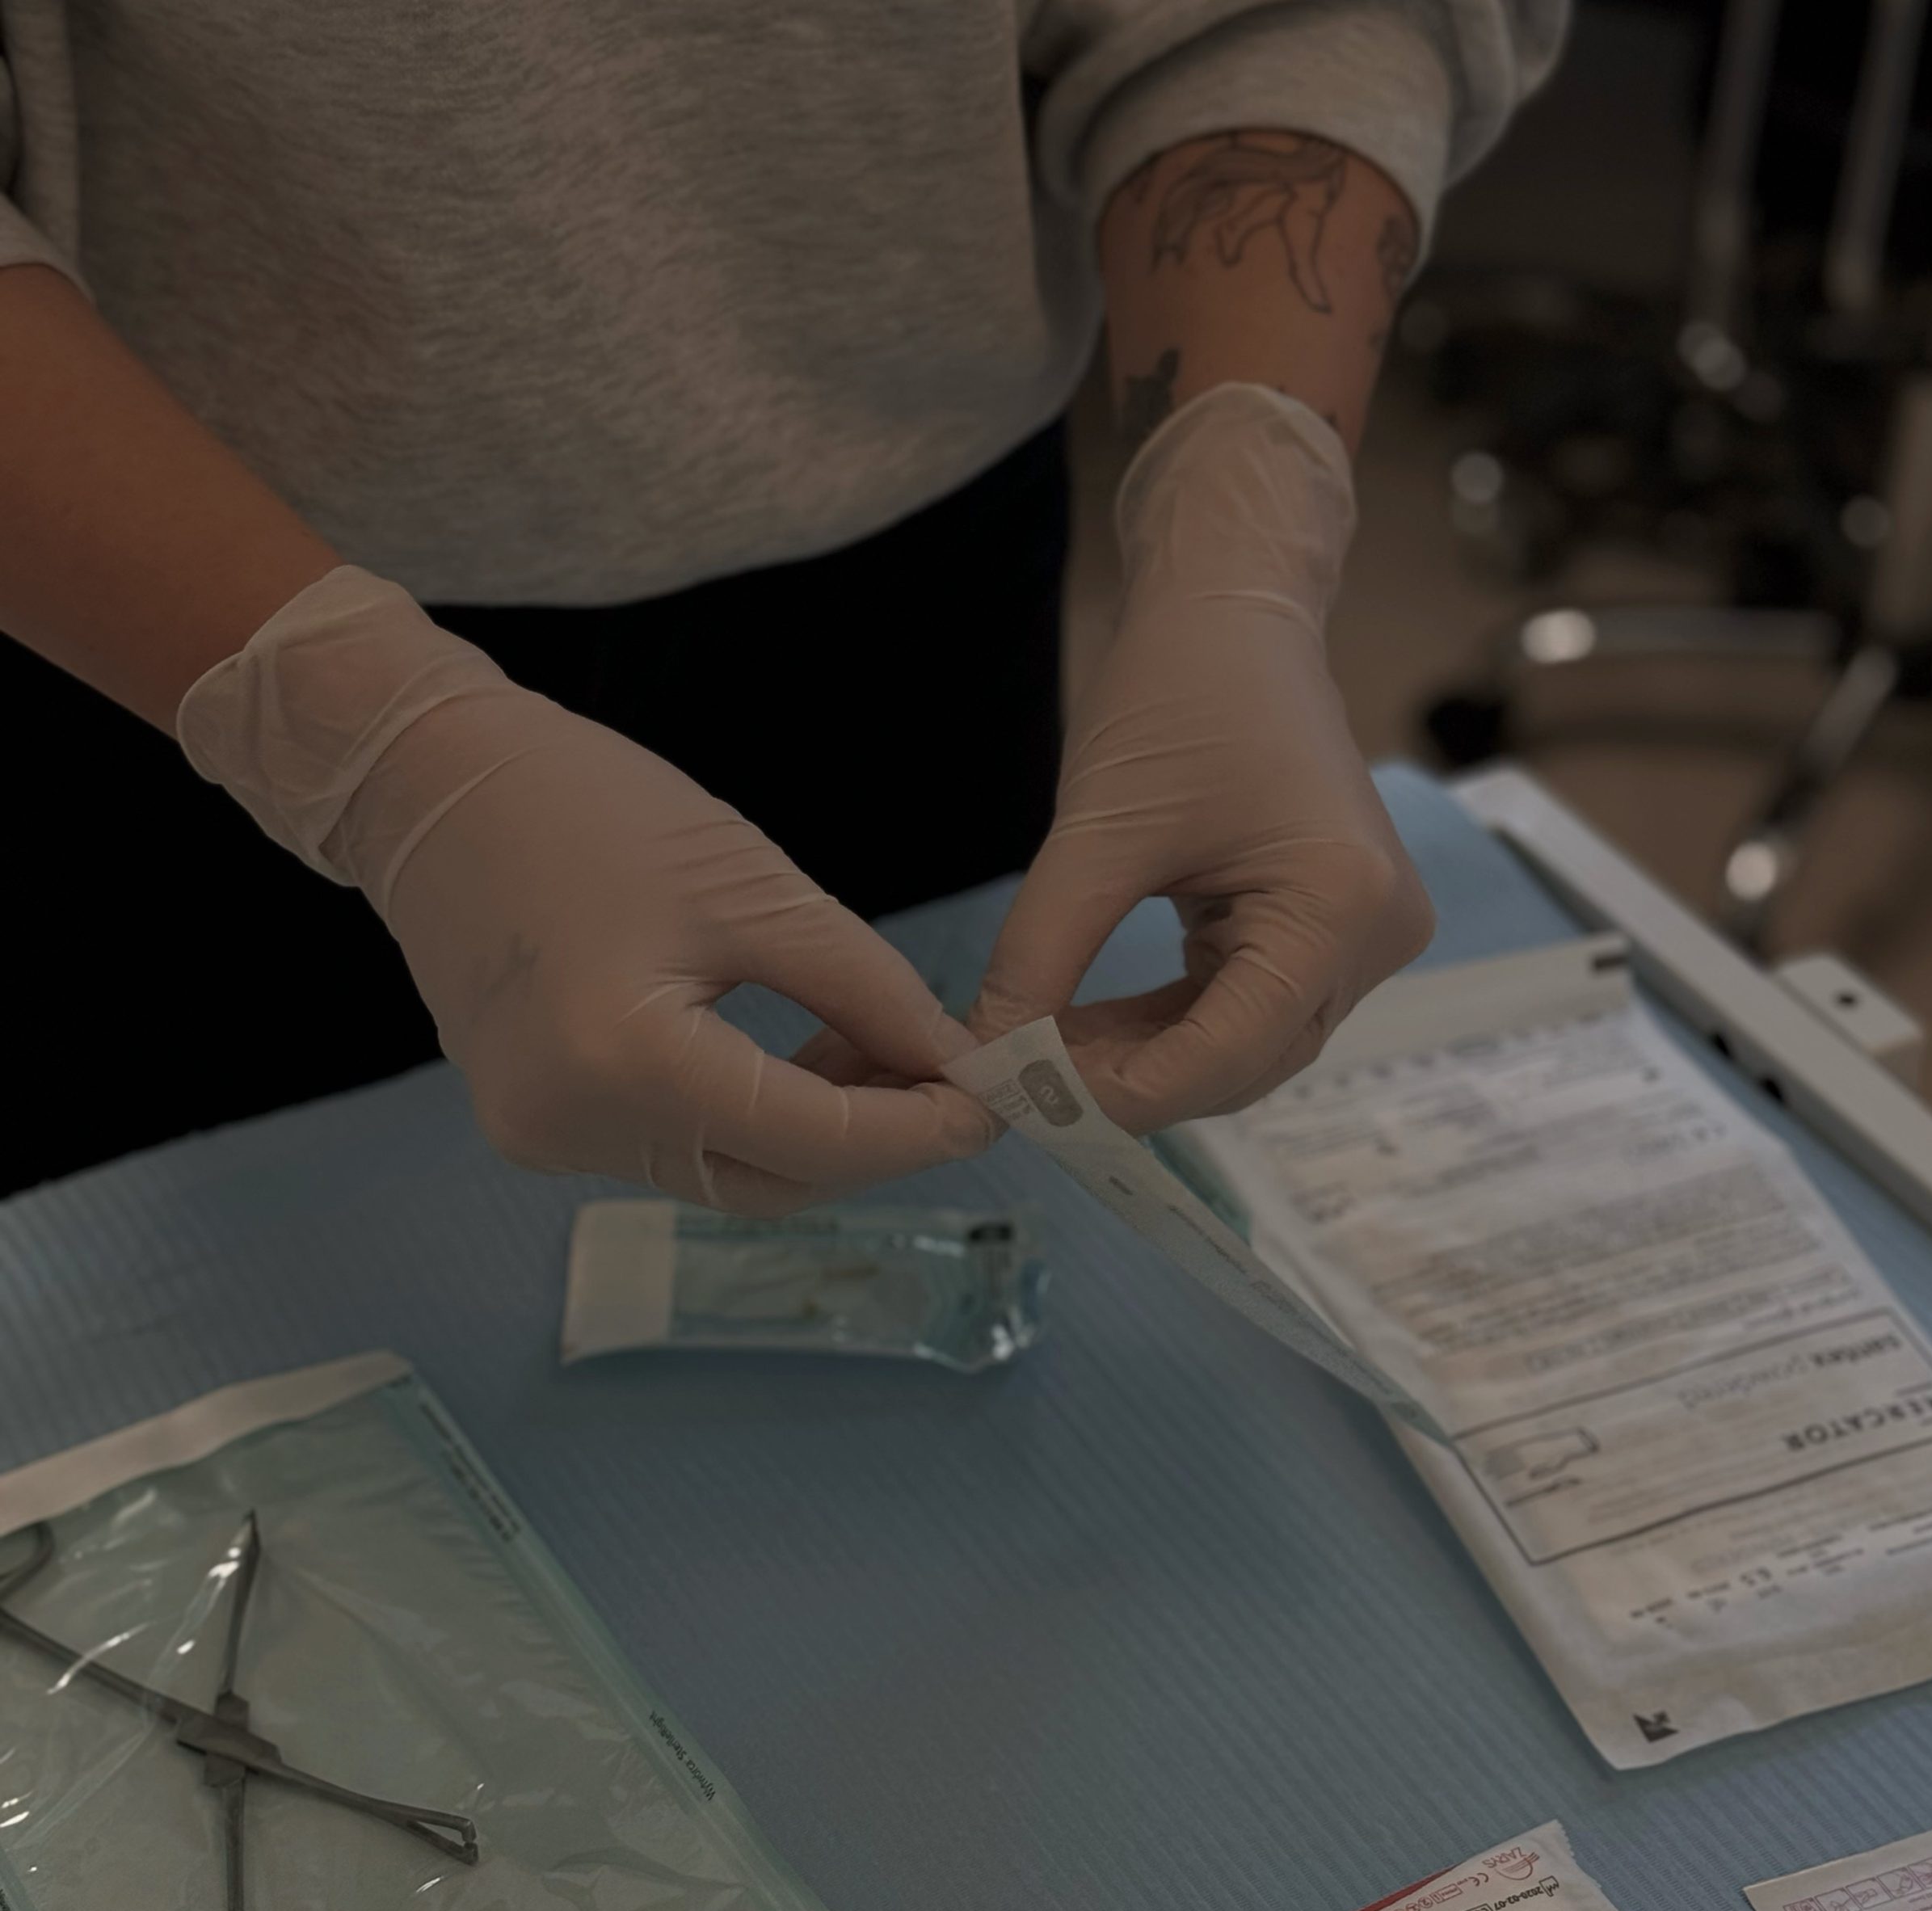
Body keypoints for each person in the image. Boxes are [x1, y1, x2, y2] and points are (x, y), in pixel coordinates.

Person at [0, 1, 1564, 1206]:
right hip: (151, 621)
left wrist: (1242, 539)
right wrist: (372, 745)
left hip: (918, 581)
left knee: (913, 1206)